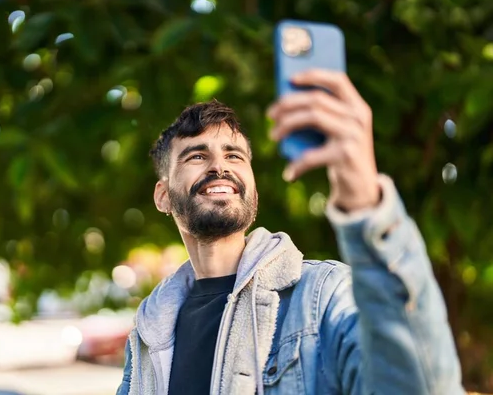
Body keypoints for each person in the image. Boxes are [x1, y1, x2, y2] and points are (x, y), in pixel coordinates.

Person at [116, 70, 463, 394]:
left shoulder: (323, 296)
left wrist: (366, 206)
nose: (219, 166)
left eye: (235, 156)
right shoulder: (150, 327)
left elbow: (418, 383)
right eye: (196, 156)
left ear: (253, 189)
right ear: (163, 196)